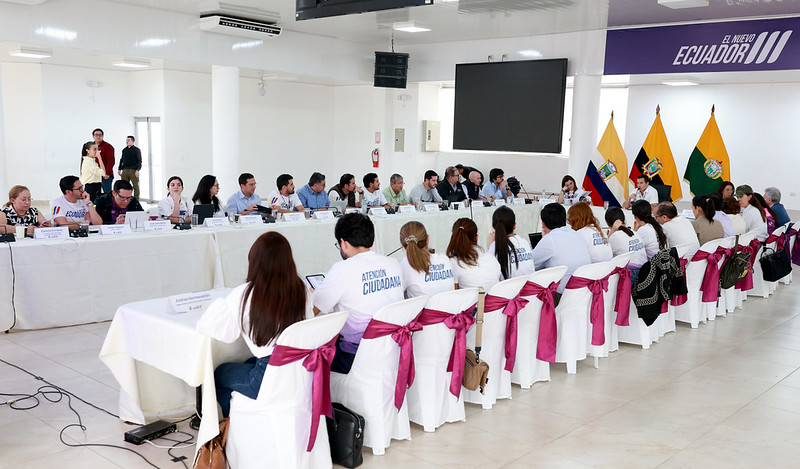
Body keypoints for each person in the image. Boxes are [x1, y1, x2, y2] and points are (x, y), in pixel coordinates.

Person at [197, 231, 312, 418]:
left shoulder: (245, 293)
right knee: (247, 362)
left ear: (255, 261)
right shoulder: (301, 288)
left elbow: (220, 332)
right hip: (301, 373)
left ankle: (234, 424)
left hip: (266, 379)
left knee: (218, 374)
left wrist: (221, 303)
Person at [313, 213, 404, 373]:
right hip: (394, 350)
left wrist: (312, 295)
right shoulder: (393, 264)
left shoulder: (342, 269)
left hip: (357, 357)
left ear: (343, 243)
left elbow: (312, 310)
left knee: (311, 358)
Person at [531, 203, 591, 297]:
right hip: (583, 292)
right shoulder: (576, 234)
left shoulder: (550, 239)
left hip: (562, 295)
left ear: (543, 223)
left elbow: (530, 263)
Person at [399, 221, 455, 298]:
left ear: (403, 245)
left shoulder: (405, 265)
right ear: (427, 239)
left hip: (423, 306)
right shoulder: (445, 260)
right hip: (448, 305)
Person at [446, 218, 502, 290]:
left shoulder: (453, 263)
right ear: (476, 237)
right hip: (494, 297)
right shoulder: (491, 258)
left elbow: (454, 293)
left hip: (472, 297)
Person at [488, 206, 535, 279]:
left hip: (509, 286)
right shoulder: (524, 242)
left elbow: (492, 277)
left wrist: (490, 245)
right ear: (514, 226)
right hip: (529, 285)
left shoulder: (494, 247)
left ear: (494, 227)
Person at [605, 207, 647, 284]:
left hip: (632, 274)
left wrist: (612, 231)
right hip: (645, 271)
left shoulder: (615, 236)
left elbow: (604, 252)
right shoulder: (633, 232)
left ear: (608, 224)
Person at [92, 128, 114, 194]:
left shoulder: (108, 147)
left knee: (107, 194)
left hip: (105, 175)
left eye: (100, 135)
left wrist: (107, 173)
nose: (98, 136)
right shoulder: (90, 146)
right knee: (94, 194)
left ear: (102, 136)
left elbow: (111, 161)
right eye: (96, 135)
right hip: (94, 174)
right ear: (93, 136)